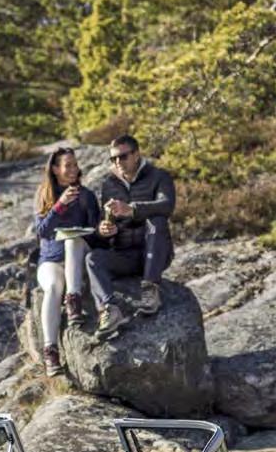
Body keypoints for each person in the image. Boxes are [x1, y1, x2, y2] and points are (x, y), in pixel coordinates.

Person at [86, 134, 175, 338]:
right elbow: (105, 220)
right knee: (92, 259)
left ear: (136, 154)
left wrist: (131, 210)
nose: (118, 162)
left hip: (153, 253)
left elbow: (167, 205)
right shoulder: (110, 184)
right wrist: (105, 229)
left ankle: (150, 288)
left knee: (157, 220)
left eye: (123, 156)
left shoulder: (159, 176)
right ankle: (109, 310)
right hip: (124, 255)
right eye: (113, 159)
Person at [33, 146, 100, 376]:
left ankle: (74, 301)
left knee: (73, 240)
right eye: (67, 165)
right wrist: (59, 205)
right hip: (50, 260)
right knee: (52, 287)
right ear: (55, 169)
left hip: (77, 257)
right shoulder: (45, 194)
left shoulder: (87, 196)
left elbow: (95, 232)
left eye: (75, 164)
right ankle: (50, 352)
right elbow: (41, 231)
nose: (73, 169)